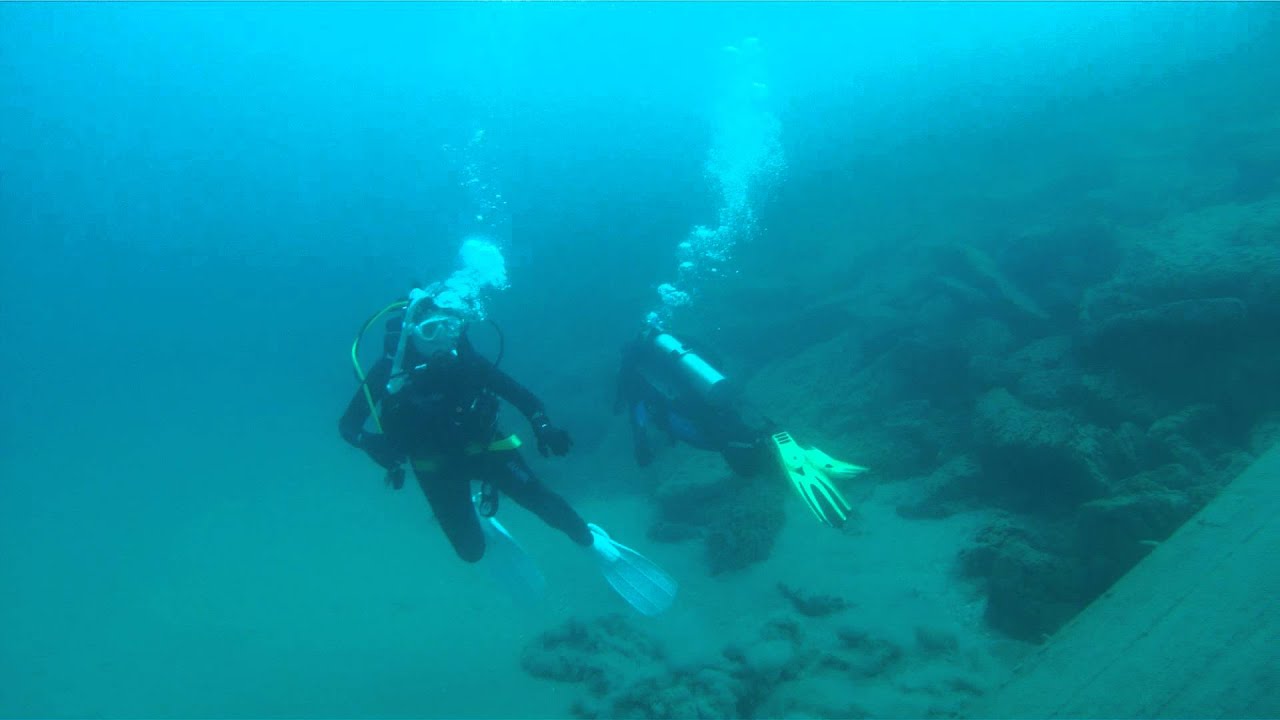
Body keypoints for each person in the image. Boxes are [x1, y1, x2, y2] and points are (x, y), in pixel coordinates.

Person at [340, 285, 676, 616]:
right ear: (412, 335)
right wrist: (369, 443)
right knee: (471, 553)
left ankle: (594, 544)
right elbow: (348, 426)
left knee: (545, 504)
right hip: (434, 466)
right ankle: (483, 524)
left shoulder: (471, 364)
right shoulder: (389, 372)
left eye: (450, 327)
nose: (443, 339)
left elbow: (525, 398)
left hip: (488, 450)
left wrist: (543, 427)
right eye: (431, 331)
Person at [614, 319, 867, 527]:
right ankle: (778, 437)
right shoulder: (677, 342)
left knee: (725, 448)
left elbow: (637, 411)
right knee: (736, 426)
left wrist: (641, 443)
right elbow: (714, 359)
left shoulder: (633, 367)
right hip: (717, 394)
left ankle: (772, 450)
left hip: (684, 413)